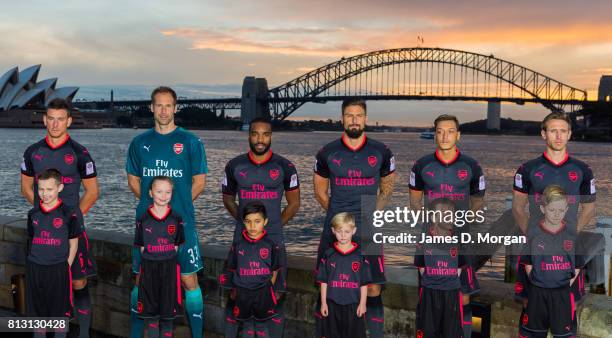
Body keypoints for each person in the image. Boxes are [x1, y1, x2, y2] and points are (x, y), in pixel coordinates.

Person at [126, 86, 208, 338]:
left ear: (175, 107)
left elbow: (199, 181)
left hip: (182, 224)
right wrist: (155, 207)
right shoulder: (139, 143)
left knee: (188, 281)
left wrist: (172, 208)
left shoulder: (191, 142)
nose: (163, 110)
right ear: (151, 107)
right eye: (158, 105)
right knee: (141, 282)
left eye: (168, 105)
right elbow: (133, 180)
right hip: (147, 225)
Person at [313, 98, 395, 338]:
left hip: (368, 228)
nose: (354, 120)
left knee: (372, 287)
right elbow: (319, 191)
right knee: (327, 284)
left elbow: (387, 188)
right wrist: (340, 219)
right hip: (336, 229)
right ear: (342, 119)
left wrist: (370, 214)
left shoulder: (382, 151)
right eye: (349, 115)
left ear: (366, 119)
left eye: (359, 115)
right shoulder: (327, 152)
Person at [21, 98, 99, 338]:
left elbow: (93, 192)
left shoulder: (80, 153)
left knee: (78, 283)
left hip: (71, 231)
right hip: (43, 234)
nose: (55, 124)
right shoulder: (32, 152)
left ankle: (84, 333)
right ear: (44, 120)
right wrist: (45, 216)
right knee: (43, 287)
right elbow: (26, 189)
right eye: (51, 118)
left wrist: (69, 220)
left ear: (69, 121)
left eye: (60, 119)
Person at [221, 117, 300, 337]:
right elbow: (228, 199)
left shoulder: (285, 166)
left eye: (265, 134)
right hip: (242, 241)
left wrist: (272, 225)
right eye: (255, 133)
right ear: (249, 135)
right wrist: (245, 223)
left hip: (274, 239)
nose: (260, 139)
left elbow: (294, 204)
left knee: (276, 296)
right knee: (235, 296)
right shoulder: (234, 165)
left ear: (271, 136)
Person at [409, 114, 485, 337]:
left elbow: (478, 204)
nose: (445, 136)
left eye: (450, 131)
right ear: (435, 134)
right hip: (430, 240)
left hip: (460, 240)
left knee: (463, 295)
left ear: (458, 135)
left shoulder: (471, 166)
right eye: (440, 131)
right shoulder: (421, 165)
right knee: (428, 291)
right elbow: (414, 202)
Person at [512, 112, 596, 305]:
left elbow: (589, 209)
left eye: (563, 131)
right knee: (530, 304)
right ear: (544, 134)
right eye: (553, 131)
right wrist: (532, 234)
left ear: (569, 134)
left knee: (569, 304)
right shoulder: (527, 169)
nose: (558, 136)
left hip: (569, 247)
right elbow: (518, 207)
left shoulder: (583, 170)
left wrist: (571, 234)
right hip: (535, 247)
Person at [518, 185, 581, 337]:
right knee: (533, 333)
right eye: (552, 210)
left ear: (566, 209)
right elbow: (528, 264)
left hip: (562, 295)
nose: (556, 214)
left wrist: (561, 284)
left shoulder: (572, 235)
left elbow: (577, 265)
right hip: (537, 294)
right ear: (542, 208)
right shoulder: (533, 234)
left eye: (560, 210)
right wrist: (541, 280)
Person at [26, 169, 82, 338]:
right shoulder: (33, 214)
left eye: (49, 189)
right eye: (41, 189)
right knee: (38, 316)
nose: (45, 193)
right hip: (35, 268)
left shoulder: (69, 214)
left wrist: (66, 265)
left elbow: (73, 243)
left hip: (58, 269)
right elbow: (31, 240)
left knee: (59, 317)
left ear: (60, 188)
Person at [219, 202, 283, 338]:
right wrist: (233, 290)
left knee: (261, 326)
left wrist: (268, 287)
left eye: (257, 221)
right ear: (243, 222)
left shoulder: (271, 245)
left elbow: (275, 269)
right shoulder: (238, 245)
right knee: (247, 325)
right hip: (242, 292)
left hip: (263, 293)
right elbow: (231, 268)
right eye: (248, 222)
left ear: (265, 222)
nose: (253, 226)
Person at [134, 176, 185, 338]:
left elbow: (177, 246)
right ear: (150, 193)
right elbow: (142, 248)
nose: (163, 196)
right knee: (152, 319)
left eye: (167, 192)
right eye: (159, 191)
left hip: (169, 270)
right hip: (149, 269)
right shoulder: (143, 219)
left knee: (167, 318)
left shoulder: (176, 218)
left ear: (172, 193)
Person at [414, 198, 467, 338]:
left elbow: (459, 268)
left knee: (451, 332)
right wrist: (434, 279)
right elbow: (421, 267)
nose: (448, 216)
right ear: (433, 217)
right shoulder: (424, 239)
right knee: (427, 331)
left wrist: (447, 280)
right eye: (443, 213)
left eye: (451, 213)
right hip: (429, 292)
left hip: (451, 293)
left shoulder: (459, 239)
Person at [317, 212, 370, 338]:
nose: (343, 235)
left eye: (347, 231)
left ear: (354, 231)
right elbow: (323, 281)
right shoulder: (328, 254)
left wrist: (363, 303)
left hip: (353, 304)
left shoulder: (360, 255)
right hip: (332, 304)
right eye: (339, 231)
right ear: (333, 231)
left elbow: (364, 283)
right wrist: (323, 302)